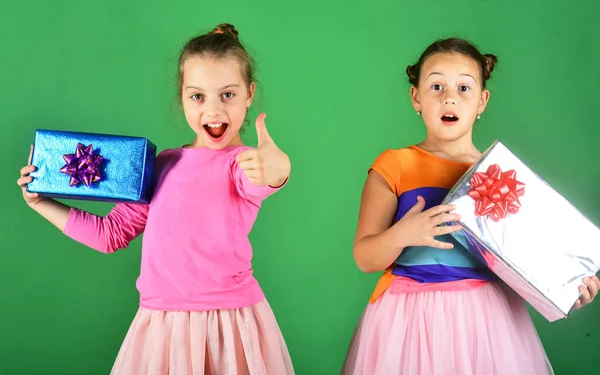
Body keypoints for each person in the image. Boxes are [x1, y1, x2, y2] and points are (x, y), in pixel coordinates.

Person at [17, 23, 295, 375]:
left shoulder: (242, 164)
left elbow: (264, 179)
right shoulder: (160, 165)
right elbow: (110, 234)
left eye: (228, 95)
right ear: (182, 95)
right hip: (163, 327)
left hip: (228, 325)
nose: (213, 111)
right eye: (198, 96)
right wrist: (42, 203)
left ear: (249, 94)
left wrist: (277, 164)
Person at [341, 37, 599, 375]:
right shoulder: (395, 165)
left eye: (464, 88)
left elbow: (524, 261)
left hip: (488, 321)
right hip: (408, 321)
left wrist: (568, 288)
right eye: (436, 86)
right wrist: (404, 233)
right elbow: (364, 256)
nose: (449, 97)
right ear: (416, 97)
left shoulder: (502, 175)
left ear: (482, 101)